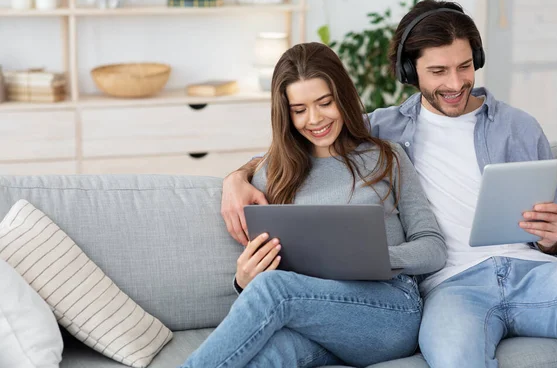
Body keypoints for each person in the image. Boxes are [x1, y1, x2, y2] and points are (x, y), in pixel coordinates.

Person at [220, 0, 557, 367]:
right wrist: (235, 178)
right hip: (452, 286)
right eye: (438, 71)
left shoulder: (518, 126)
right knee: (454, 355)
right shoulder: (383, 131)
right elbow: (305, 140)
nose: (455, 83)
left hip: (532, 269)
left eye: (465, 66)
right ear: (409, 71)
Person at [180, 42, 446, 368]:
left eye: (324, 102)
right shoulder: (271, 175)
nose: (315, 119)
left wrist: (377, 257)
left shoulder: (386, 157)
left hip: (389, 311)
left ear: (342, 98)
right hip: (317, 318)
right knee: (266, 359)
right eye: (300, 109)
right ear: (286, 113)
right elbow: (273, 278)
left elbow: (433, 248)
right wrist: (243, 281)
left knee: (273, 289)